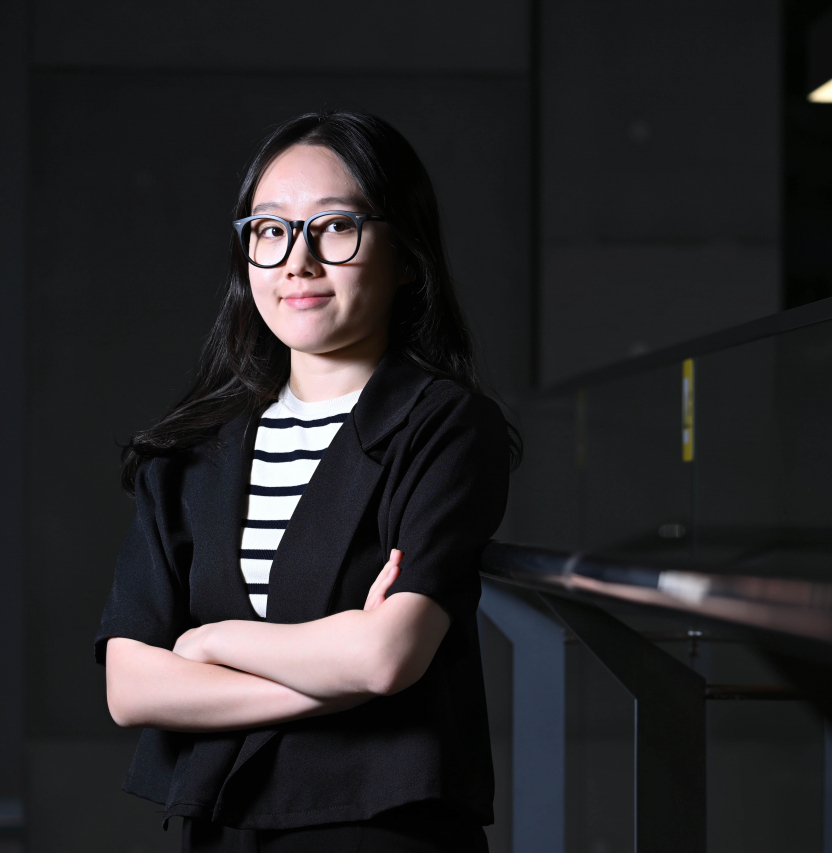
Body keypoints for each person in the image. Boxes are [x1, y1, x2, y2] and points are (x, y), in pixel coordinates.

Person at [95, 110, 516, 852]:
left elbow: (388, 656)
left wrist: (207, 642)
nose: (298, 261)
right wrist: (335, 668)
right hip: (223, 828)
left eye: (335, 227)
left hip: (381, 831)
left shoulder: (444, 426)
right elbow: (131, 687)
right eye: (270, 230)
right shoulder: (190, 452)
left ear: (406, 256)